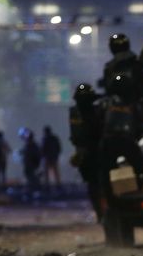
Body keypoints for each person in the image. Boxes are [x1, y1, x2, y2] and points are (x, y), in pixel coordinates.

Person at [68, 84, 103, 215]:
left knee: (96, 184)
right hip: (89, 154)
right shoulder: (77, 113)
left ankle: (102, 212)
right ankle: (100, 212)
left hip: (97, 151)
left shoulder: (96, 110)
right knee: (94, 185)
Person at [21, 129, 42, 193]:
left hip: (31, 164)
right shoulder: (32, 145)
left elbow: (36, 155)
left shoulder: (32, 146)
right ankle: (33, 188)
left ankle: (34, 188)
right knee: (30, 176)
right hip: (30, 164)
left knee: (32, 176)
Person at [41, 126, 62, 190]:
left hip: (48, 158)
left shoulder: (45, 139)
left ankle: (48, 185)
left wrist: (43, 155)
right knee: (55, 172)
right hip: (53, 157)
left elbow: (42, 149)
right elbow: (59, 148)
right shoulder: (55, 138)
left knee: (47, 173)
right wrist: (56, 155)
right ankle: (58, 185)